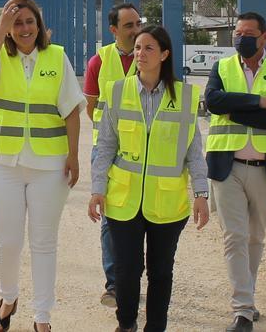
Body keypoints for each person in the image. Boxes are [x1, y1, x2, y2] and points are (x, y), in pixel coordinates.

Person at [88, 24, 210, 332]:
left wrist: (201, 193)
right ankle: (126, 323)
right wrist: (97, 189)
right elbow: (105, 145)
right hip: (123, 200)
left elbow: (193, 150)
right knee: (127, 270)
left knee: (160, 272)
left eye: (149, 48)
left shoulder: (184, 97)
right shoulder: (118, 90)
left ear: (165, 54)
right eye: (138, 47)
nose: (140, 54)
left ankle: (155, 327)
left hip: (167, 203)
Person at [0, 0, 85, 332]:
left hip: (49, 165)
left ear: (39, 25)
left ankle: (42, 316)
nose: (24, 29)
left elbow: (70, 109)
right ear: (8, 29)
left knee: (44, 242)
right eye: (16, 23)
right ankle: (8, 297)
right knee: (7, 240)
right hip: (2, 163)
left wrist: (73, 155)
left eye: (29, 22)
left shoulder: (57, 57)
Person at [204, 11, 266, 332]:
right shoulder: (222, 67)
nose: (241, 38)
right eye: (237, 33)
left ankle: (249, 299)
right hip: (226, 167)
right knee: (235, 236)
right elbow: (213, 102)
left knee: (255, 237)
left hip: (265, 168)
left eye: (248, 33)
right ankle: (242, 310)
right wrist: (258, 101)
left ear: (265, 37)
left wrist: (236, 109)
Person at [83, 2, 142, 307]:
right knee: (109, 217)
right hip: (106, 148)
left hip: (142, 149)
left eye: (138, 24)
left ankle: (134, 275)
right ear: (113, 30)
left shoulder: (150, 55)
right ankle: (115, 283)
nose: (135, 30)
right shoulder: (99, 61)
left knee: (140, 214)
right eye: (129, 25)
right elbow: (92, 106)